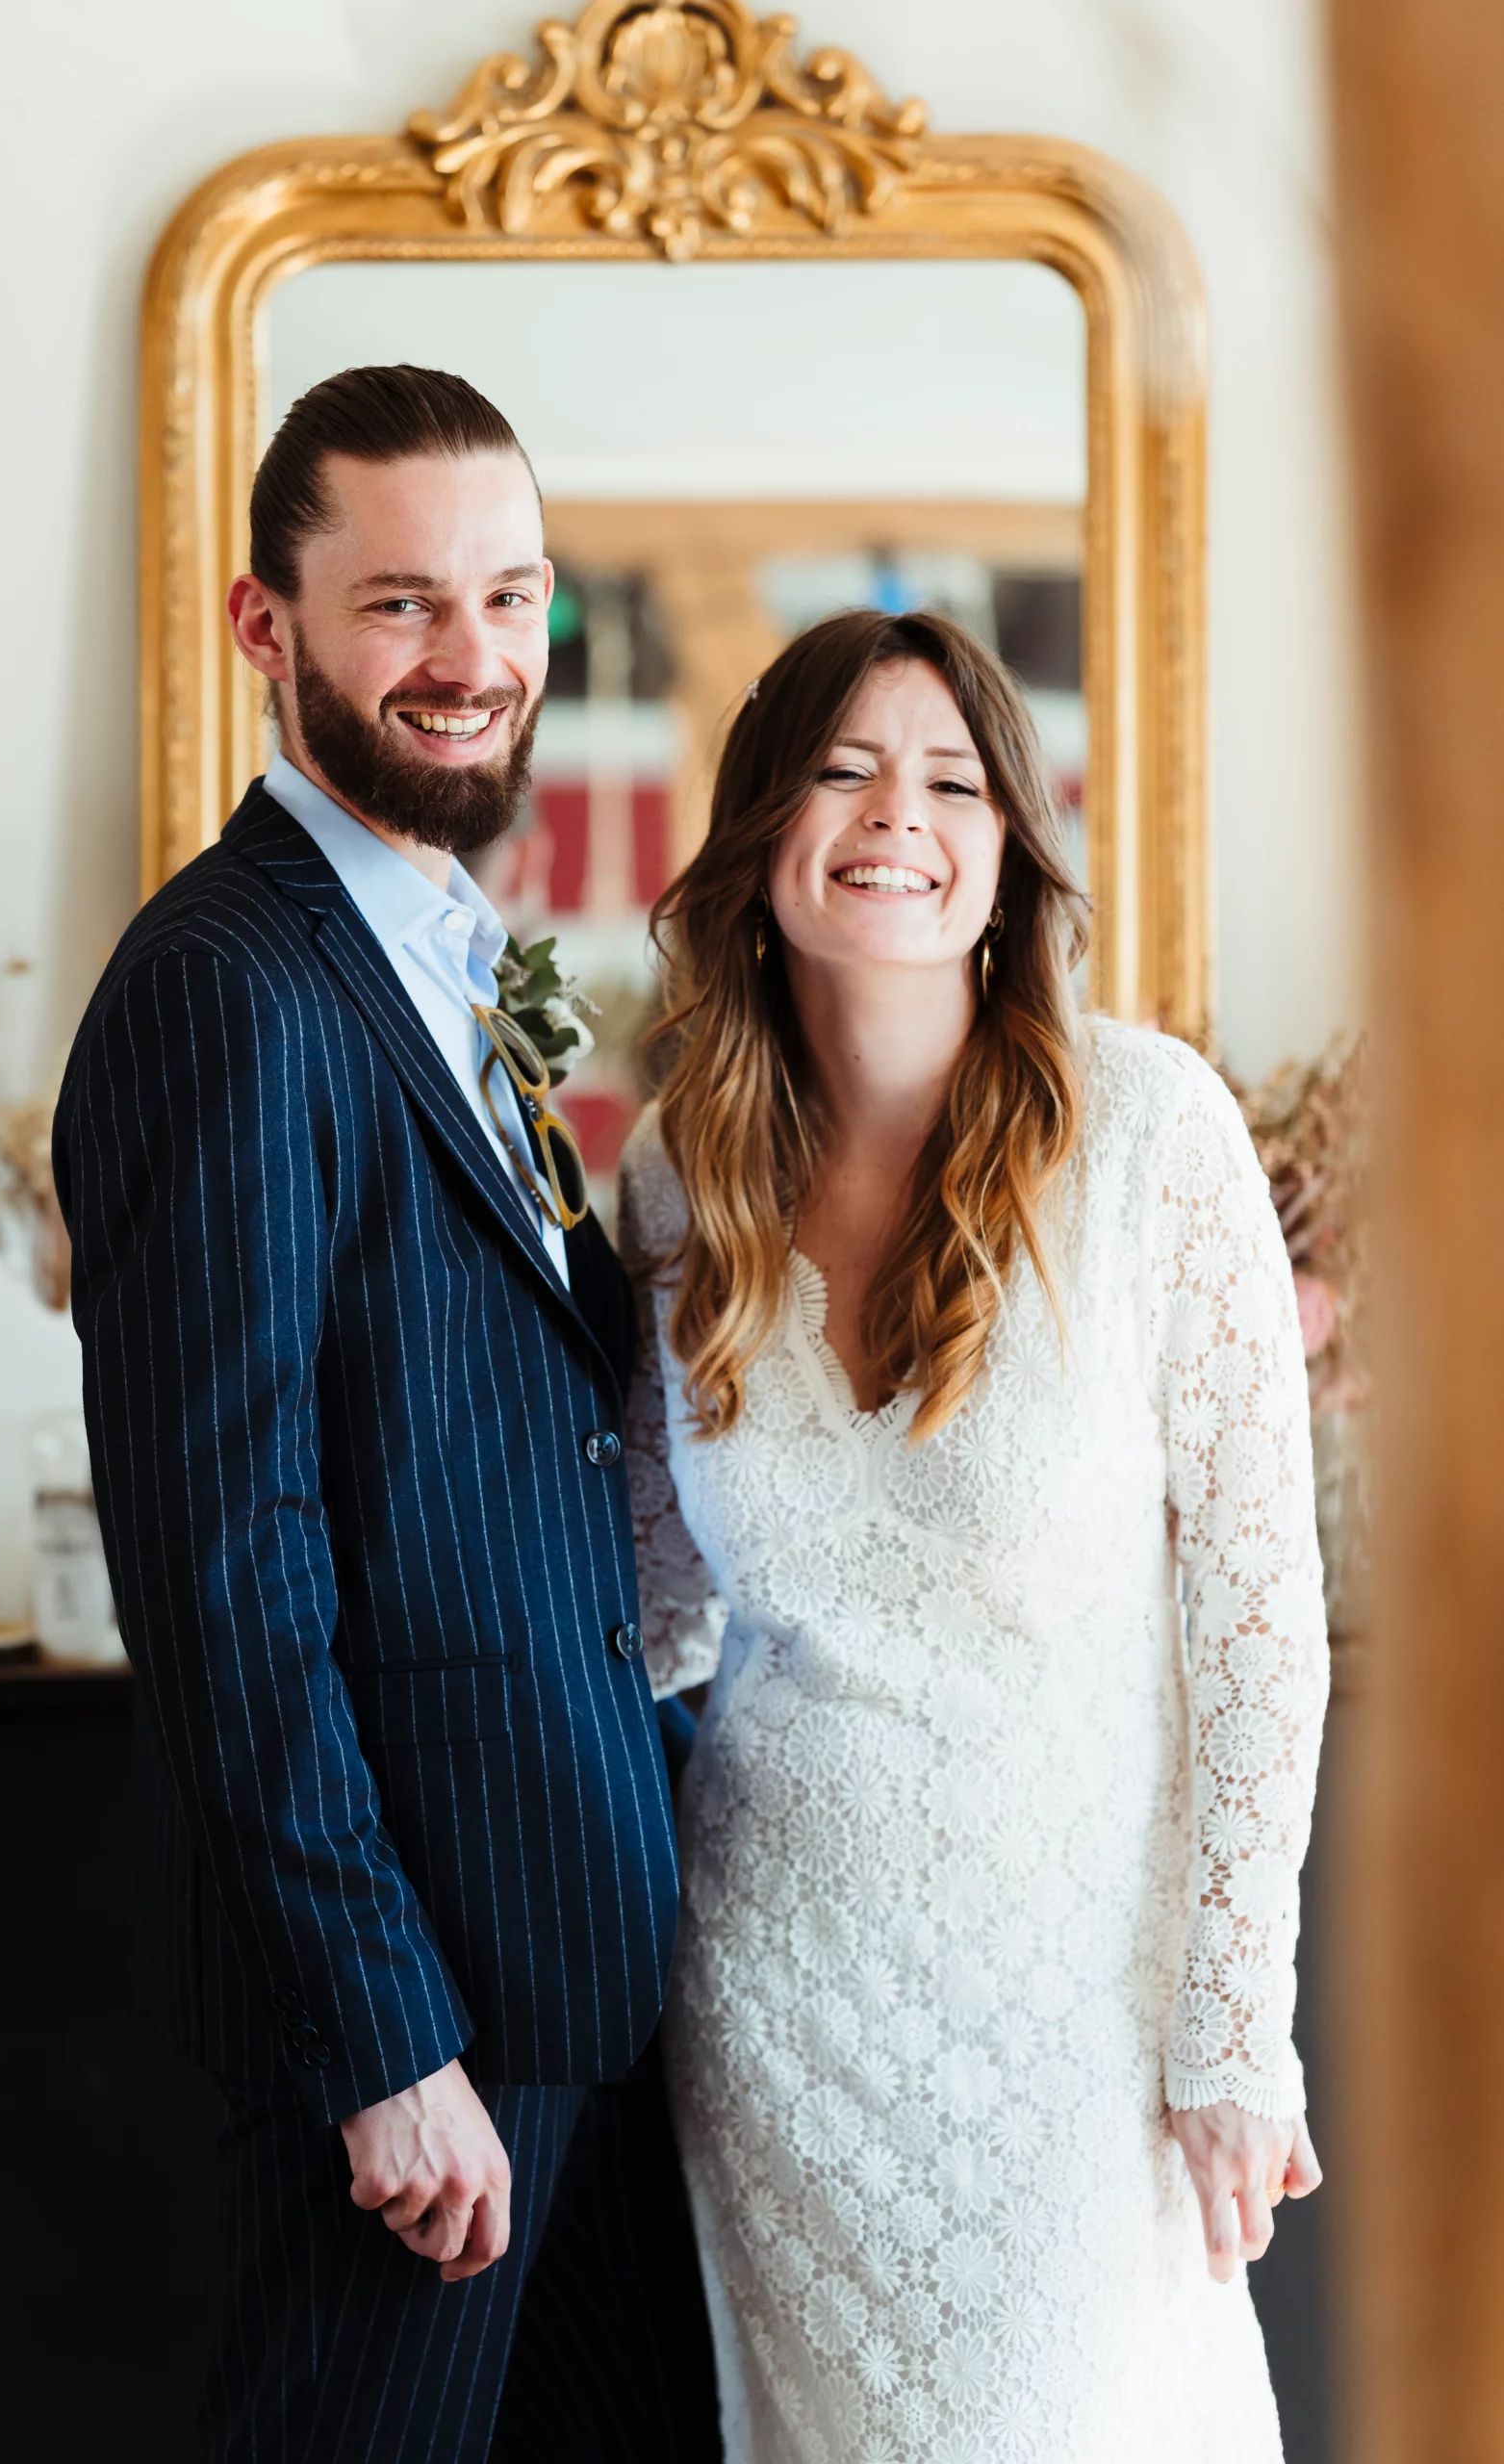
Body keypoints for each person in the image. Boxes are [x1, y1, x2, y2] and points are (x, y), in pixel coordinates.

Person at [53, 364, 717, 2464]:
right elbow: (227, 1560)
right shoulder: (226, 985)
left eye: (511, 601)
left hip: (566, 1975)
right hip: (420, 2023)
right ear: (268, 626)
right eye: (402, 606)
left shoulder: (441, 945)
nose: (474, 663)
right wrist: (387, 2038)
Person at [619, 607, 1329, 2461]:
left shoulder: (1154, 1138)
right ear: (761, 834)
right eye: (842, 770)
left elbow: (1260, 1632)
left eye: (947, 778)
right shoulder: (676, 1179)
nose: (894, 816)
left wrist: (1233, 2033)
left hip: (1080, 2031)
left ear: (1008, 847)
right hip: (775, 2018)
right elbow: (653, 1605)